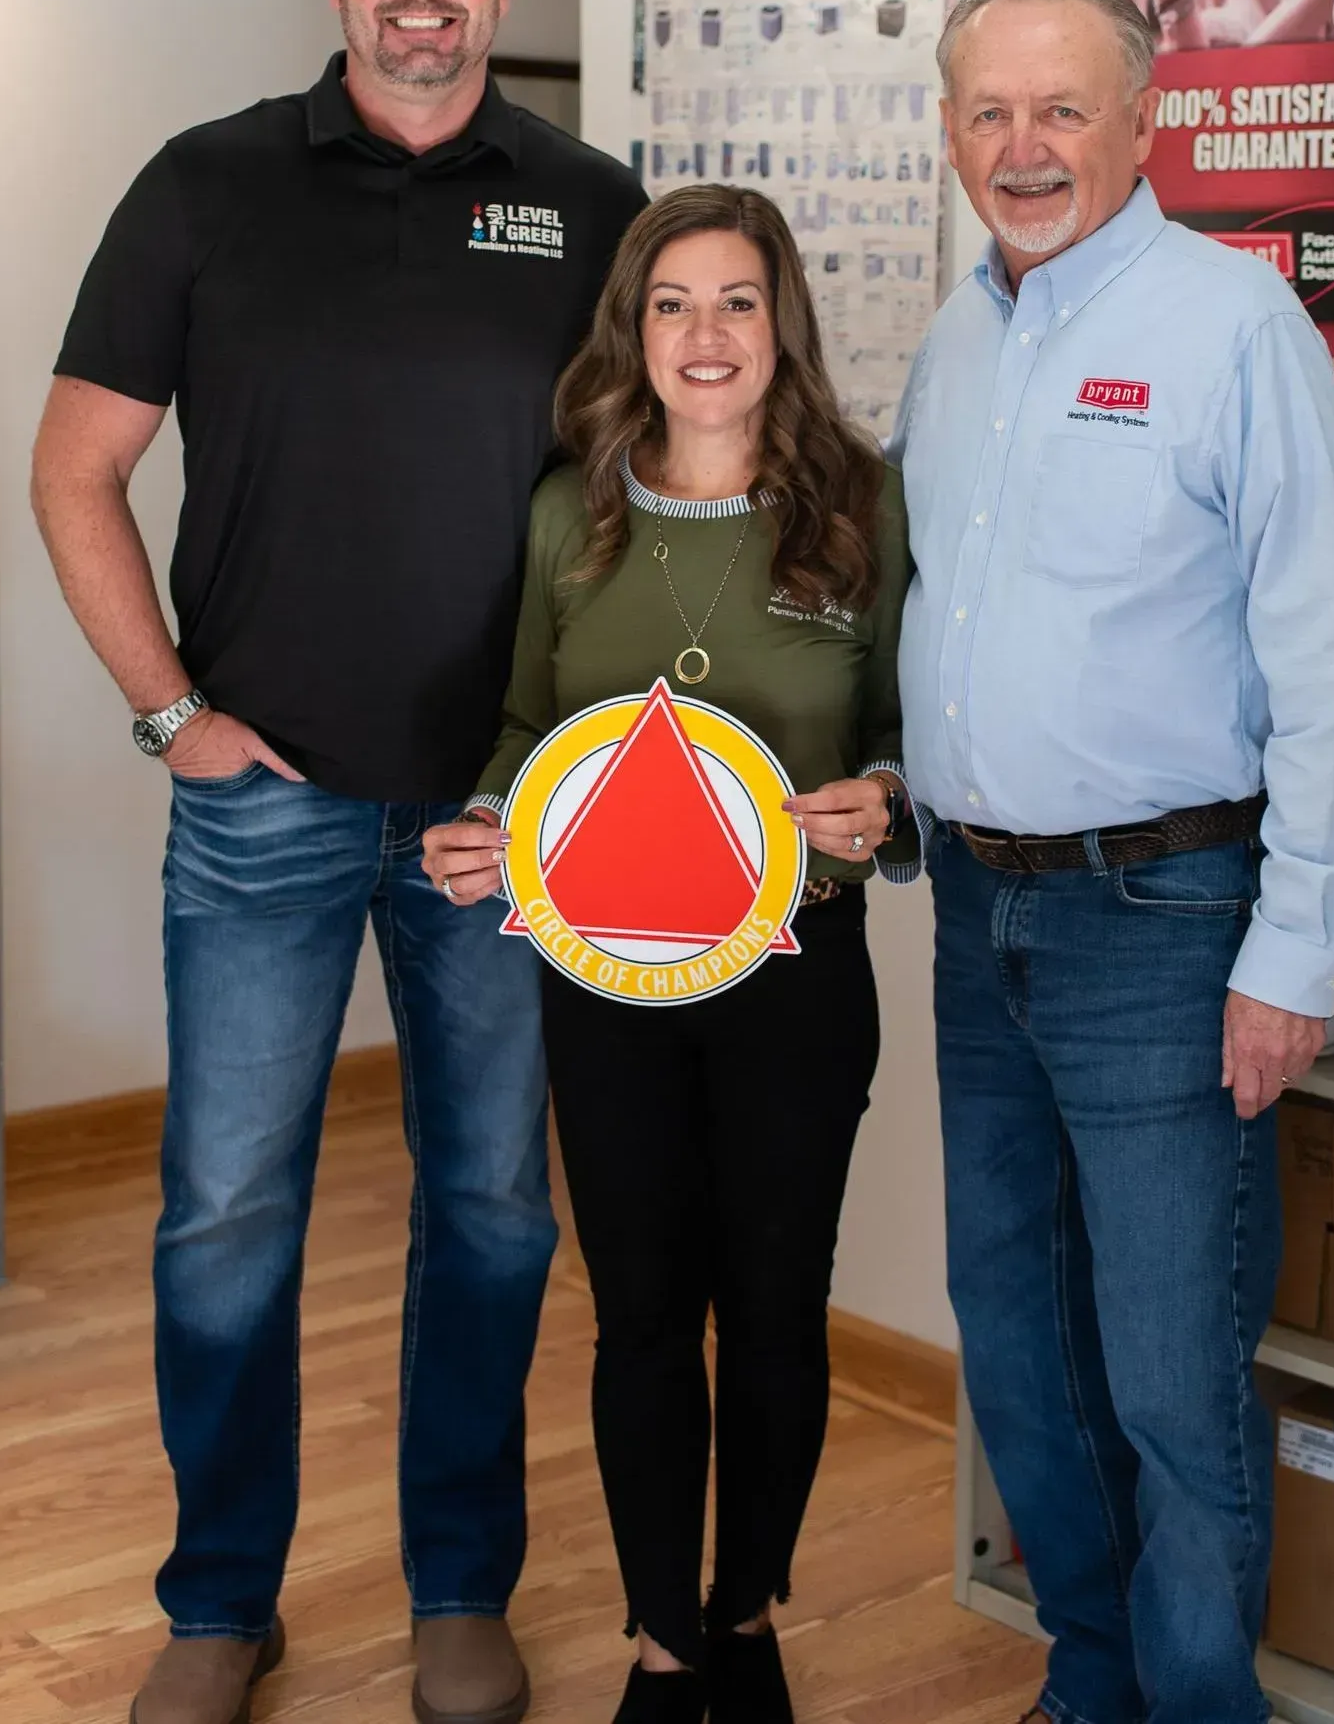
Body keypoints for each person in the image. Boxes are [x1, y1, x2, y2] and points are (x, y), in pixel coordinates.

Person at [31, 0, 646, 1724]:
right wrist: (174, 720)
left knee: (495, 1208)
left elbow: (652, 490)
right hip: (263, 805)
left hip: (500, 818)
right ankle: (220, 1602)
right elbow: (75, 470)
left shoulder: (591, 204)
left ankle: (461, 1586)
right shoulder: (206, 183)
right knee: (227, 1212)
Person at [894, 0, 1334, 1724]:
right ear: (950, 131)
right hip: (981, 914)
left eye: (1063, 110)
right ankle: (1092, 1682)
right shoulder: (959, 340)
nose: (1024, 147)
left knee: (1176, 1383)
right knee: (1018, 1344)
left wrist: (1295, 957)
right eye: (990, 112)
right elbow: (943, 621)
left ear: (1142, 122)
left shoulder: (1233, 327)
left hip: (1170, 921)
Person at [422, 184, 916, 1724]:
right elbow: (525, 724)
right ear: (632, 330)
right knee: (640, 1315)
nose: (707, 334)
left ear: (783, 325)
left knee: (772, 1311)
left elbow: (907, 735)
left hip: (799, 982)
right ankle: (662, 1641)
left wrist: (885, 802)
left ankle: (747, 1615)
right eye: (673, 304)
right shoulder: (568, 511)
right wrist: (488, 821)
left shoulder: (863, 506)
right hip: (610, 990)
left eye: (738, 302)